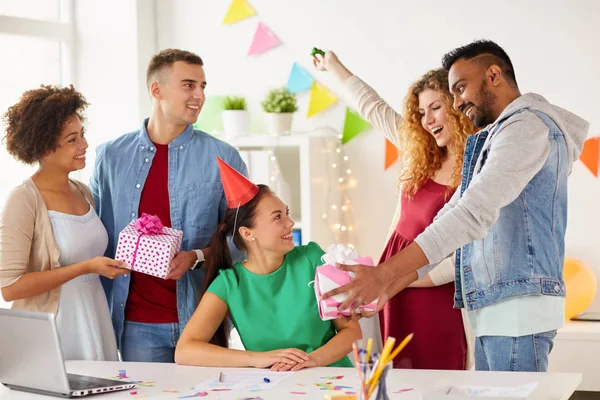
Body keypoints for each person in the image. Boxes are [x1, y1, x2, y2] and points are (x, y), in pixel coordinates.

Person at [323, 39, 589, 372]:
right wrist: (386, 282)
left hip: (515, 308)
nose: (458, 101)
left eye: (460, 88)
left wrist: (386, 275)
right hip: (494, 305)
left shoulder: (526, 129)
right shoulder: (498, 137)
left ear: (493, 75)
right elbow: (455, 211)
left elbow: (471, 213)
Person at [314, 51, 476, 369]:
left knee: (436, 372)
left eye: (435, 108)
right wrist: (334, 66)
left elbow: (461, 256)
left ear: (455, 106)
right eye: (420, 112)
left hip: (432, 288)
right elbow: (373, 108)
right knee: (393, 372)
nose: (427, 120)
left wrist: (394, 279)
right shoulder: (420, 152)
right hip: (390, 286)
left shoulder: (476, 169)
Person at [90, 49, 248, 362]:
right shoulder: (110, 157)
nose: (200, 95)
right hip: (136, 325)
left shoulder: (224, 158)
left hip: (202, 320)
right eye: (189, 85)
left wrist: (196, 256)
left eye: (203, 86)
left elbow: (244, 239)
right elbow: (97, 236)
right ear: (156, 89)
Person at [175, 158, 361, 370]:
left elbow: (352, 332)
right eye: (277, 217)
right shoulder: (230, 284)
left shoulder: (312, 259)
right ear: (247, 233)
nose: (290, 223)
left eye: (287, 213)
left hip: (330, 382)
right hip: (275, 386)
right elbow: (184, 350)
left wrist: (312, 360)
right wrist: (257, 359)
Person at [0, 85, 127, 361]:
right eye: (72, 139)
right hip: (55, 330)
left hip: (94, 319)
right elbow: (9, 286)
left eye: (82, 135)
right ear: (44, 146)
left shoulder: (83, 191)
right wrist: (85, 267)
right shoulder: (23, 200)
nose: (84, 145)